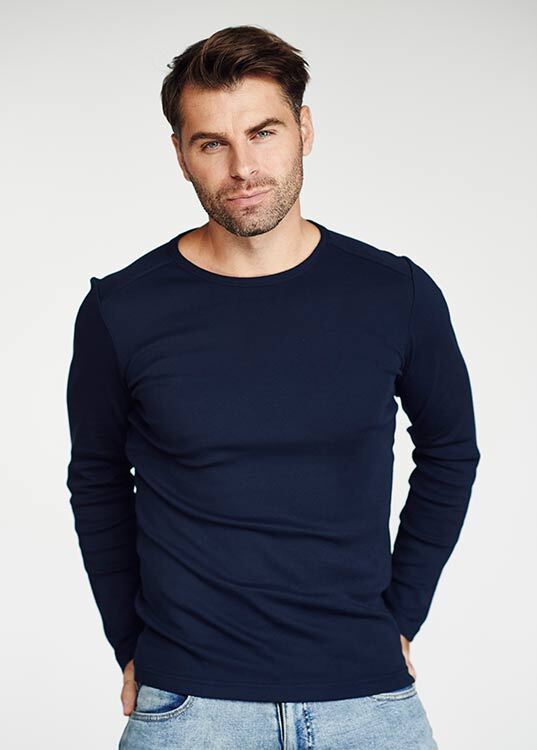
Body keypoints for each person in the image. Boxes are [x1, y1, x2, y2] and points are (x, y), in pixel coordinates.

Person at [66, 24, 480, 750]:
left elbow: (451, 450)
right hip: (190, 707)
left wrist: (402, 615)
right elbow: (97, 479)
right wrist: (131, 643)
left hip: (367, 699)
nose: (243, 167)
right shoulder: (121, 311)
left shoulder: (395, 295)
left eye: (263, 132)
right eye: (212, 143)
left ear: (304, 129)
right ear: (180, 155)